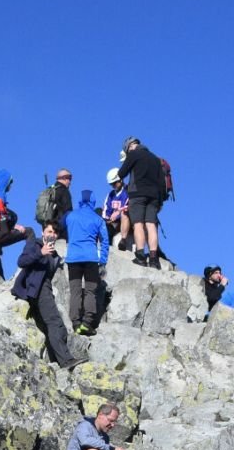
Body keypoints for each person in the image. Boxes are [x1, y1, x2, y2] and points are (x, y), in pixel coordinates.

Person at [11, 222, 84, 369]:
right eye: (49, 231)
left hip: (45, 289)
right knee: (55, 323)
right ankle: (66, 361)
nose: (52, 235)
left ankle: (57, 361)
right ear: (43, 232)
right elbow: (21, 261)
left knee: (54, 327)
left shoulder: (55, 255)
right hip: (37, 289)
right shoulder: (35, 244)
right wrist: (41, 252)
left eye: (55, 233)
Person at [64, 190, 110, 336]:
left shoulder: (70, 216)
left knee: (75, 290)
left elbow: (62, 229)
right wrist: (102, 260)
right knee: (90, 290)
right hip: (90, 259)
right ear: (93, 201)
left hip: (73, 258)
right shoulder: (97, 219)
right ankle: (87, 322)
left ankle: (76, 323)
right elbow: (105, 241)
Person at [116, 137, 166, 269]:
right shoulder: (155, 159)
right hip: (154, 196)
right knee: (151, 225)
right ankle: (154, 259)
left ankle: (141, 256)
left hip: (138, 194)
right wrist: (160, 201)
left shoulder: (134, 154)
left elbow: (121, 173)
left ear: (129, 147)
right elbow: (162, 182)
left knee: (138, 224)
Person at [37, 169, 74, 239]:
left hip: (47, 228)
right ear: (65, 178)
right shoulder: (64, 191)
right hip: (59, 231)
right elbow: (68, 212)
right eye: (69, 179)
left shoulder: (50, 190)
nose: (70, 182)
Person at [103, 168, 130, 251]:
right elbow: (106, 208)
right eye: (111, 184)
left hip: (123, 221)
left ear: (120, 180)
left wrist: (117, 215)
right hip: (112, 222)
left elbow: (127, 206)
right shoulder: (111, 194)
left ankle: (123, 240)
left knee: (124, 213)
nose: (113, 185)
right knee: (98, 212)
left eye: (115, 183)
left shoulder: (127, 191)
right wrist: (107, 218)